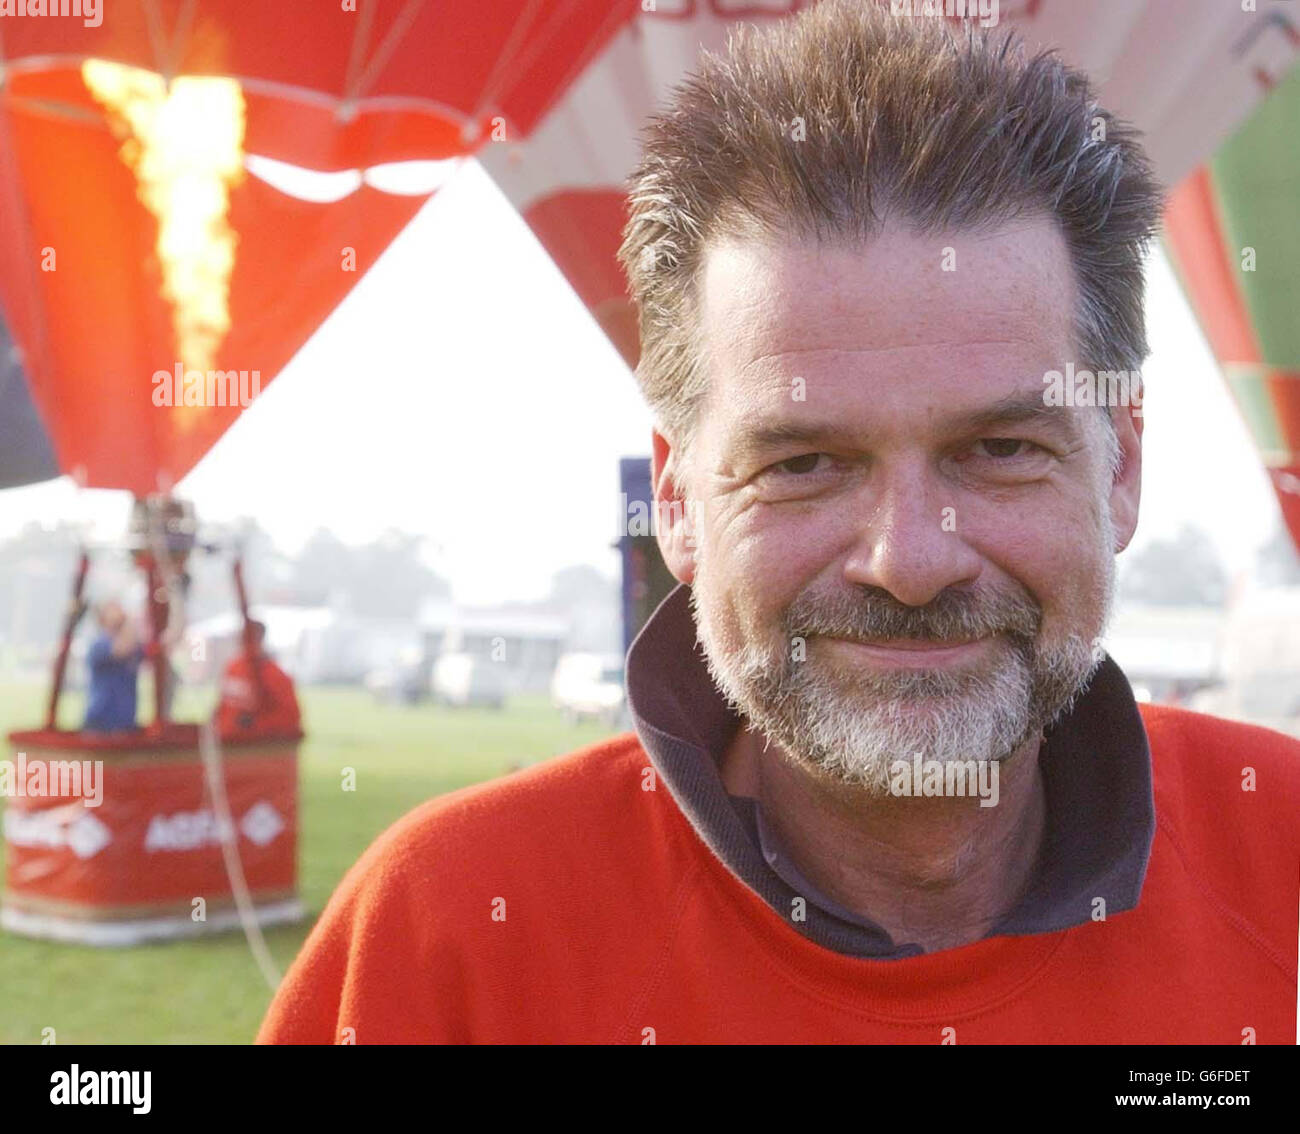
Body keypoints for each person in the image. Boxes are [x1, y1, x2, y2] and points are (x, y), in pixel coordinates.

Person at [259, 1, 1300, 1044]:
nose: (909, 561)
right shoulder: (443, 934)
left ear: (1121, 469)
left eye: (998, 451)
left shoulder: (1281, 844)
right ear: (676, 499)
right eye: (802, 464)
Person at [215, 620, 302, 739]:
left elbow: (290, 718)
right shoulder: (233, 668)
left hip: (254, 748)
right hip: (227, 745)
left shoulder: (274, 675)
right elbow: (223, 704)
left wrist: (255, 724)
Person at [82, 599, 143, 733]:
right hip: (100, 725)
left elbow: (163, 645)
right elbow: (123, 649)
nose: (120, 610)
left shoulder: (135, 645)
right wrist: (130, 620)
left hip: (125, 725)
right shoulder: (99, 645)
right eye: (113, 608)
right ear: (102, 618)